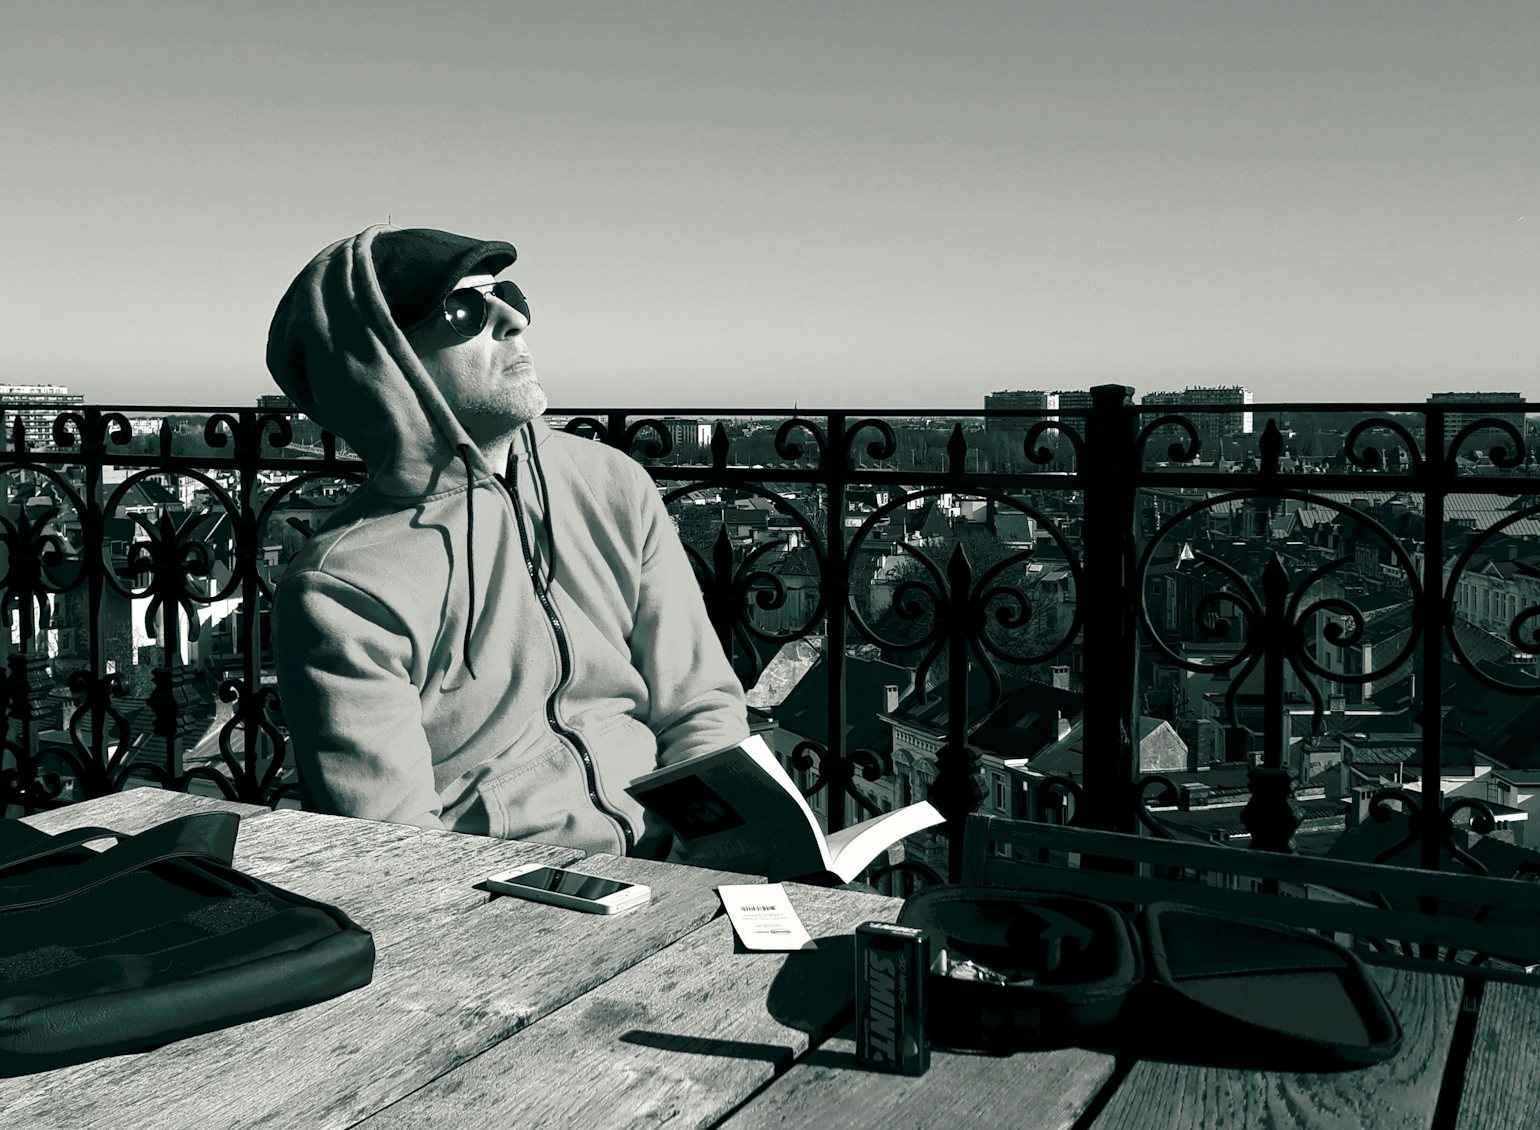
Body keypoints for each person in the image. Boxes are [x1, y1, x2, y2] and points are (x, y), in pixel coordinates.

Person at [265, 225, 749, 856]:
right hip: (514, 896)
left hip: (682, 852)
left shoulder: (611, 484)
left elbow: (698, 703)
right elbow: (397, 845)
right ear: (383, 366)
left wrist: (725, 841)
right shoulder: (343, 588)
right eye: (464, 311)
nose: (514, 321)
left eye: (508, 295)